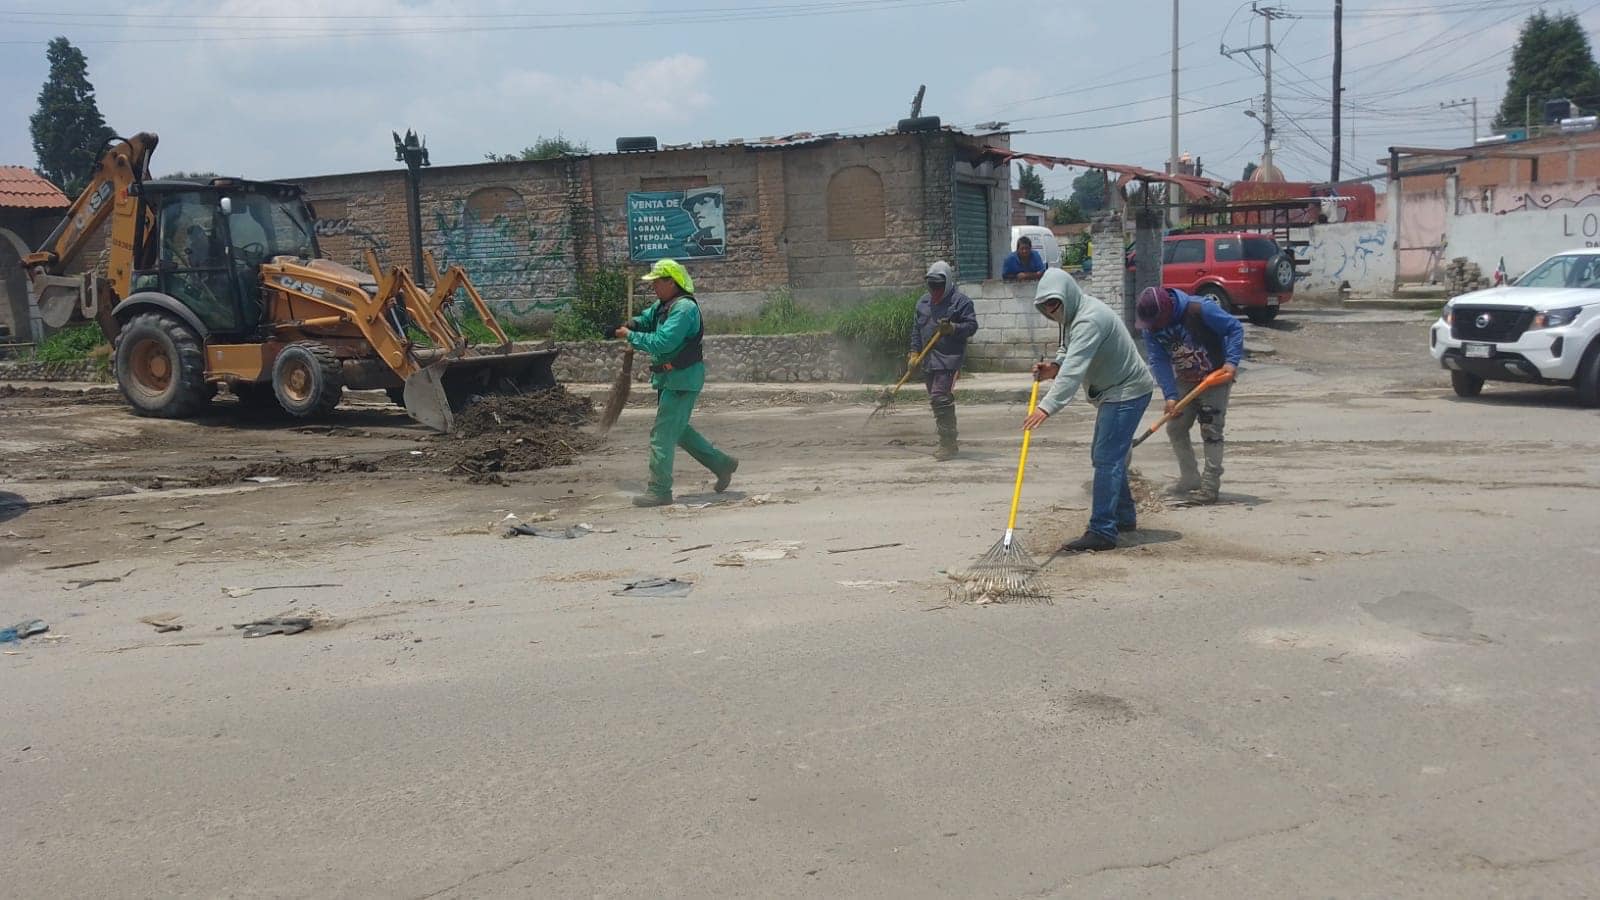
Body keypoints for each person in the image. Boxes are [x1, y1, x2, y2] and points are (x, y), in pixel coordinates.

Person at [1022, 269, 1157, 552]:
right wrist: (1052, 368)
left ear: (1067, 297)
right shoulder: (1073, 317)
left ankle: (1103, 531)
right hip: (1115, 392)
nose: (1051, 311)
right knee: (1106, 456)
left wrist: (1046, 407)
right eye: (1045, 306)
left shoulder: (1089, 320)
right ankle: (1123, 517)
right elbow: (1067, 354)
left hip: (1127, 391)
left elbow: (1073, 371)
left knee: (1106, 458)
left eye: (1054, 304)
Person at [610, 259, 738, 507]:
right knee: (678, 430)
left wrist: (632, 336)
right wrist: (631, 325)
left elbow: (663, 342)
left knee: (662, 435)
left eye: (657, 282)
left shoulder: (684, 310)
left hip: (682, 379)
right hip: (670, 379)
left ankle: (659, 490)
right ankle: (722, 464)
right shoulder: (664, 305)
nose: (654, 287)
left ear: (671, 282)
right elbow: (648, 318)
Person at [1135, 286, 1243, 505]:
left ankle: (1210, 488)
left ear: (1166, 311)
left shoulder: (1200, 309)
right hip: (1185, 379)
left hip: (1215, 376)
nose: (1153, 328)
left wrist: (1231, 363)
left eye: (1156, 322)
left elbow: (1234, 328)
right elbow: (1158, 360)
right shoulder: (1150, 326)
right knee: (1175, 428)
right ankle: (1190, 478)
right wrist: (1170, 395)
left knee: (1211, 430)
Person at [906, 260, 978, 460]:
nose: (935, 290)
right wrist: (913, 353)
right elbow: (916, 331)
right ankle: (949, 440)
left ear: (946, 283)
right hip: (928, 359)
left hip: (949, 358)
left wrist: (954, 328)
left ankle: (948, 444)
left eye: (938, 286)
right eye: (932, 286)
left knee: (940, 397)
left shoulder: (961, 302)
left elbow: (972, 326)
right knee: (937, 400)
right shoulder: (922, 303)